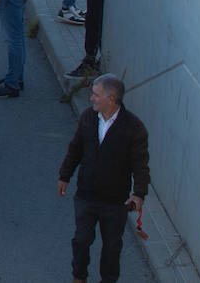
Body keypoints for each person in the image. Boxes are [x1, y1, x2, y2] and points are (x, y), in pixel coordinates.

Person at [57, 73, 150, 283]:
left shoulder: (134, 129)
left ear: (111, 99)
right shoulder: (88, 118)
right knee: (81, 241)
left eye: (96, 95)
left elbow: (140, 164)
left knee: (112, 247)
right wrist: (64, 176)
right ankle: (79, 277)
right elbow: (75, 149)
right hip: (86, 196)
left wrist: (139, 193)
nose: (91, 99)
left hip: (115, 202)